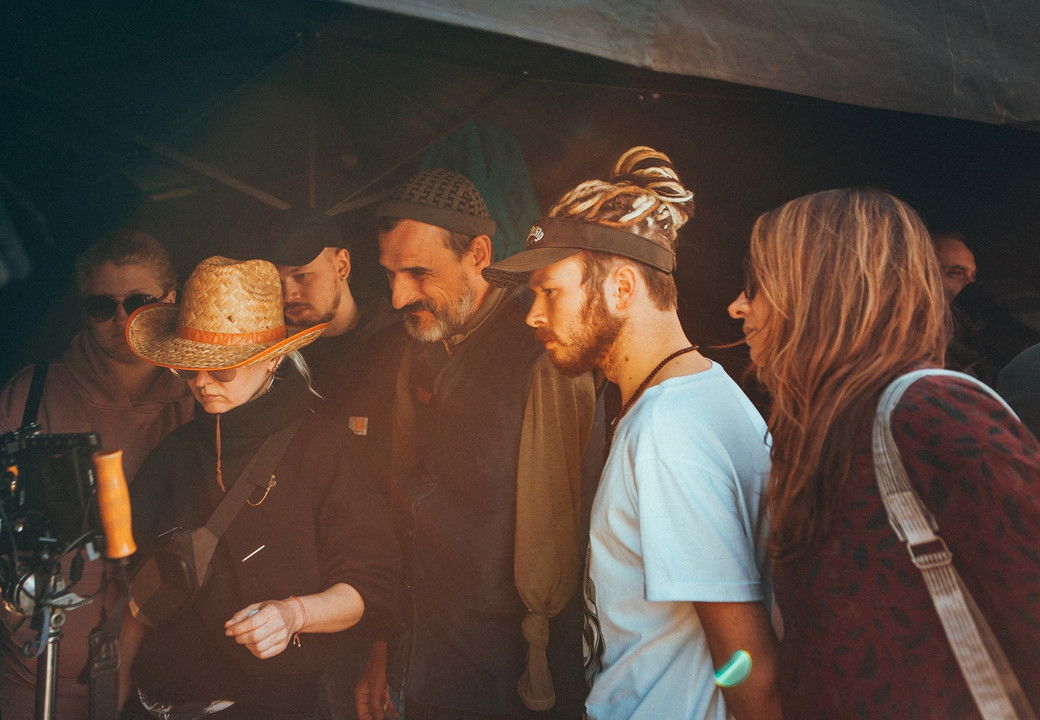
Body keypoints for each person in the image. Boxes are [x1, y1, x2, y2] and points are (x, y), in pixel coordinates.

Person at [482, 146, 780, 720]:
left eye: (550, 291)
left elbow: (750, 671)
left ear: (622, 289)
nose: (532, 315)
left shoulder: (670, 430)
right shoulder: (681, 401)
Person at [728, 188, 1040, 718]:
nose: (736, 306)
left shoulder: (928, 410)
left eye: (758, 285)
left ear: (823, 292)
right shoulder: (818, 436)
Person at [360, 169, 597, 719]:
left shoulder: (544, 356)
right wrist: (384, 648)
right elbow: (398, 505)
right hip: (422, 659)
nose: (398, 296)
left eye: (418, 272)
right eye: (390, 274)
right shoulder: (418, 344)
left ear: (479, 254)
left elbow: (569, 541)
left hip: (511, 679)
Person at [118, 256, 400, 720]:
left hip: (266, 705)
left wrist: (294, 615)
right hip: (155, 701)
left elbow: (373, 586)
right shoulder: (176, 451)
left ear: (272, 358)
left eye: (222, 369)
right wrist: (116, 690)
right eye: (189, 369)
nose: (202, 384)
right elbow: (134, 596)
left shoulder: (324, 449)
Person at [0, 228, 196, 720]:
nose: (120, 319)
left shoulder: (204, 398)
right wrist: (21, 619)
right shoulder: (32, 395)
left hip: (162, 679)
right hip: (39, 673)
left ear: (170, 299)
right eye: (101, 306)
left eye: (138, 302)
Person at [260, 208, 408, 720]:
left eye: (303, 276)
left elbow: (409, 505)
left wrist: (384, 642)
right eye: (278, 281)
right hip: (283, 606)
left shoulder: (398, 346)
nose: (289, 293)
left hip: (372, 601)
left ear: (342, 264)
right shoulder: (270, 362)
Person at [934, 232, 1040, 385]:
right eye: (956, 273)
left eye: (973, 275)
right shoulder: (925, 342)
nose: (970, 283)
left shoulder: (988, 326)